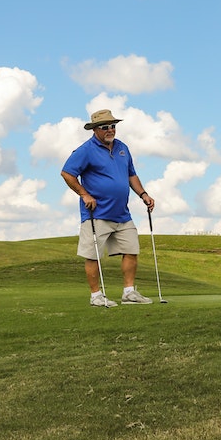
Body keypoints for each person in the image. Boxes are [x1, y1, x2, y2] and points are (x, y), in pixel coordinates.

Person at [60, 109, 157, 307]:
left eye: (113, 126)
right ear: (95, 129)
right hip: (97, 213)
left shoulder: (122, 148)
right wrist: (84, 194)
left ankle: (129, 293)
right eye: (105, 127)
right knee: (92, 255)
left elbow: (131, 175)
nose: (110, 130)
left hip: (122, 213)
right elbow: (67, 173)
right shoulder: (86, 150)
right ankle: (96, 296)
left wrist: (144, 194)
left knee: (131, 250)